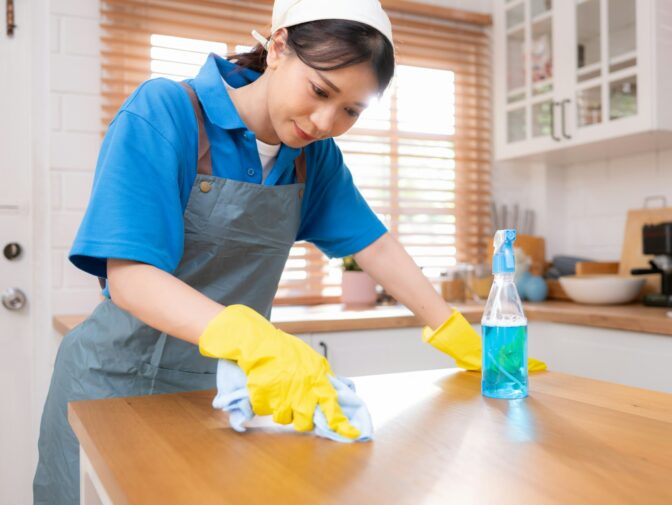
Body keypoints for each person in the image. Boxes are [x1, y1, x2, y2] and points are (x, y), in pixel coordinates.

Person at [33, 0, 481, 502]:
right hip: (112, 389)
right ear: (279, 47)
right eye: (320, 90)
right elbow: (131, 275)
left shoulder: (314, 158)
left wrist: (451, 328)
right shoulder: (168, 111)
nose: (325, 121)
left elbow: (372, 245)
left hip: (222, 399)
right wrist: (253, 338)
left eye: (351, 110)